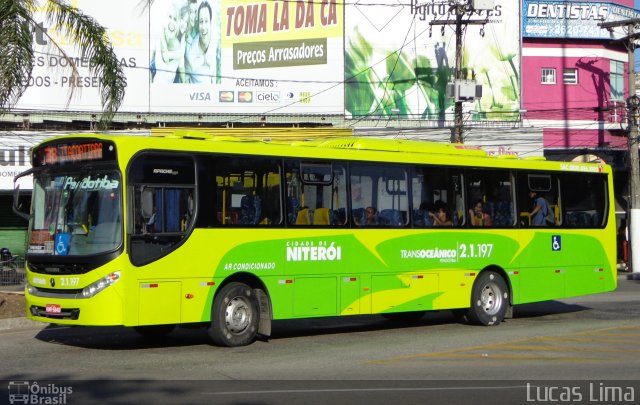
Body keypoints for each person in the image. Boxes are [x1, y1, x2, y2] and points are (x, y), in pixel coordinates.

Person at [184, 0, 220, 83]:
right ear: (198, 23)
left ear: (210, 23)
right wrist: (204, 60)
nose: (203, 27)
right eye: (201, 22)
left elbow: (213, 64)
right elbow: (188, 69)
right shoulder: (192, 49)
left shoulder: (215, 37)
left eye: (206, 21)